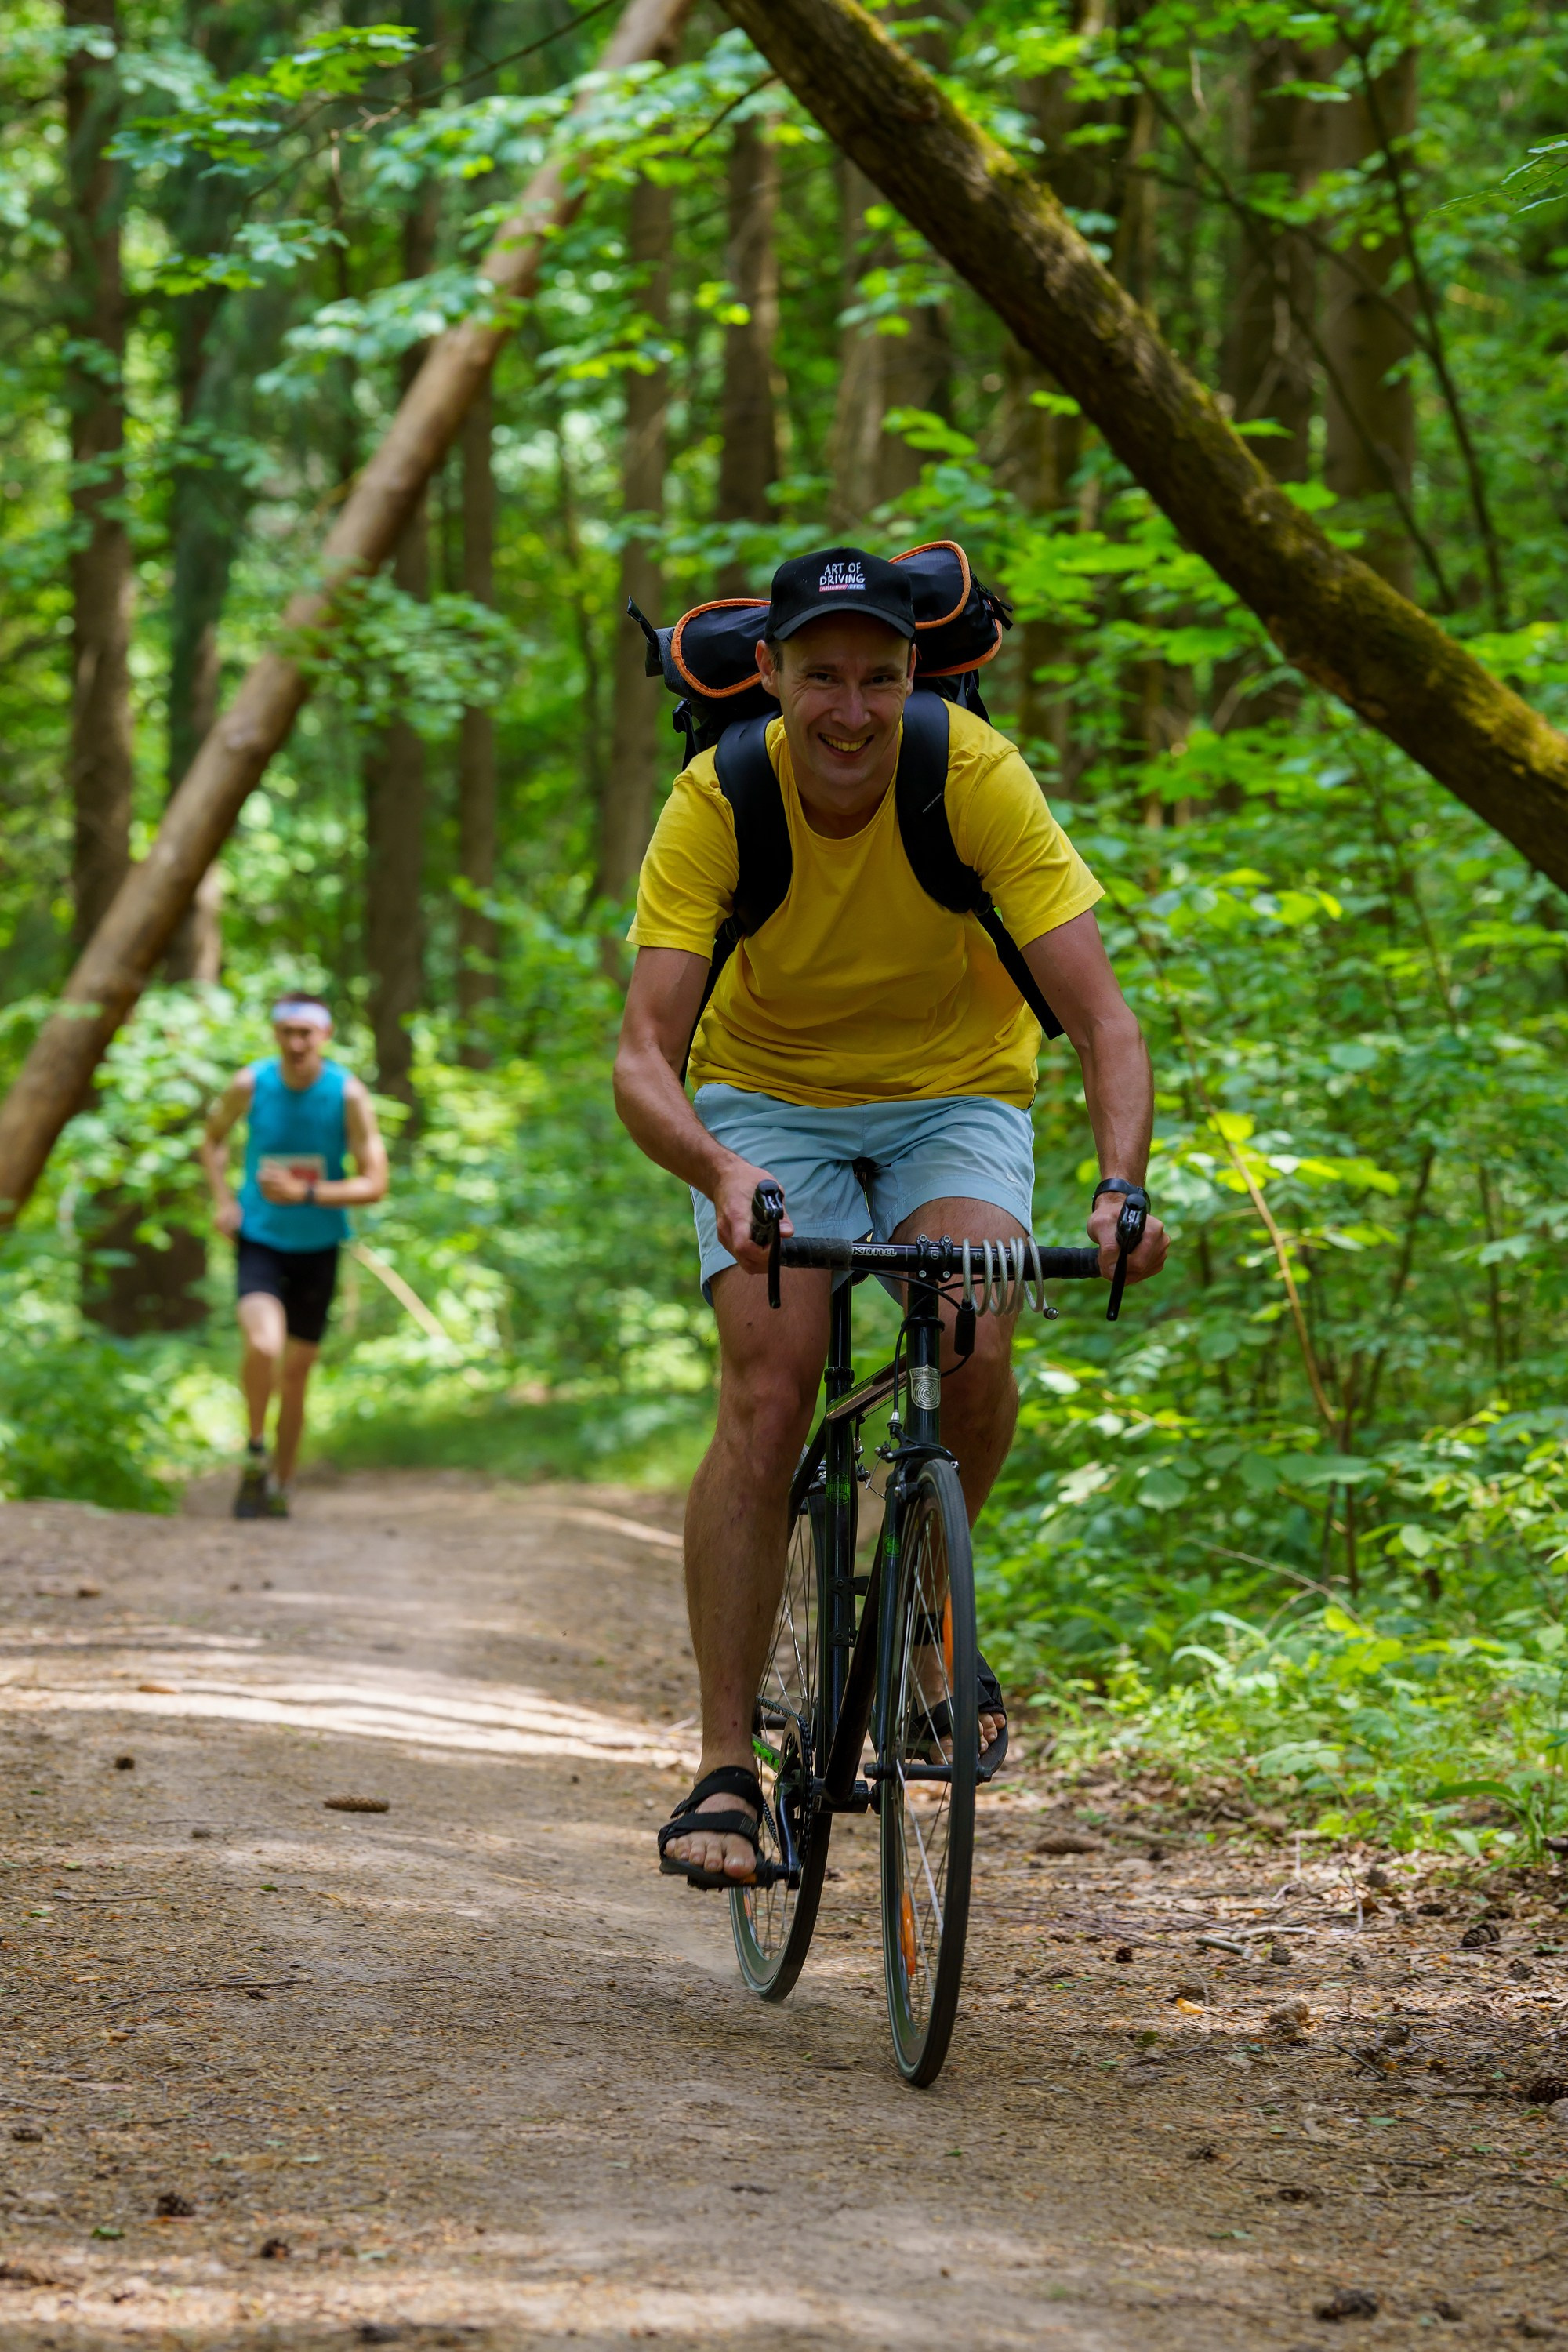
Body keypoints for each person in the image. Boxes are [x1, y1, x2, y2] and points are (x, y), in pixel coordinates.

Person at [614, 545, 1168, 1886]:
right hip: (762, 1098)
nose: (849, 711)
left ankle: (924, 1618)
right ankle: (727, 1769)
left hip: (954, 1091)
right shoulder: (718, 798)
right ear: (771, 676)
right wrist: (719, 1173)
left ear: (915, 678)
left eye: (876, 678)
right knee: (769, 1386)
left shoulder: (973, 778)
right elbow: (644, 1054)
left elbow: (1101, 1020)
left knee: (974, 1326)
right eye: (820, 679)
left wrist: (1120, 1185)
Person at [200, 996, 389, 1519]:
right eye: (287, 1032)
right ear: (275, 1034)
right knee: (262, 1344)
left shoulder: (347, 1094)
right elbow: (212, 1142)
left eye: (307, 1032)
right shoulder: (250, 1084)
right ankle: (255, 1449)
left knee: (298, 1373)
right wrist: (223, 1202)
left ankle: (282, 1484)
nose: (297, 1043)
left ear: (325, 1036)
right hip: (259, 1239)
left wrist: (306, 1194)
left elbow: (376, 1183)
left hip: (319, 1246)